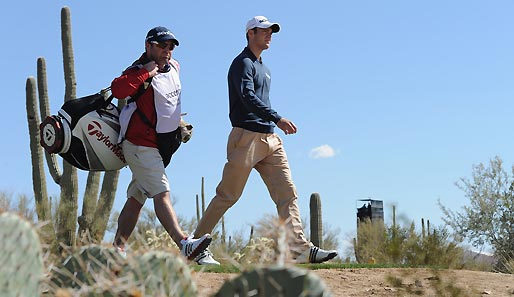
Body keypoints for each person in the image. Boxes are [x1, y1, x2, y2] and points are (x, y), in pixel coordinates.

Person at [192, 16, 338, 265]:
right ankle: (193, 246)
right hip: (246, 137)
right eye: (264, 31)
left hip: (270, 138)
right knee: (227, 195)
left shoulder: (265, 68)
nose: (269, 35)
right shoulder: (242, 63)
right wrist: (277, 117)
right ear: (250, 33)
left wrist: (273, 124)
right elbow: (247, 96)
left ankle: (299, 248)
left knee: (287, 193)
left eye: (271, 31)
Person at [111, 26, 211, 260]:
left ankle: (117, 249)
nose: (168, 50)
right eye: (162, 45)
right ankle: (184, 243)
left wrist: (179, 123)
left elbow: (166, 103)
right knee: (161, 192)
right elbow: (118, 90)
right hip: (139, 145)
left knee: (136, 198)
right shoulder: (138, 70)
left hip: (157, 146)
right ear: (148, 46)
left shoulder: (174, 67)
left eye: (171, 46)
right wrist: (145, 72)